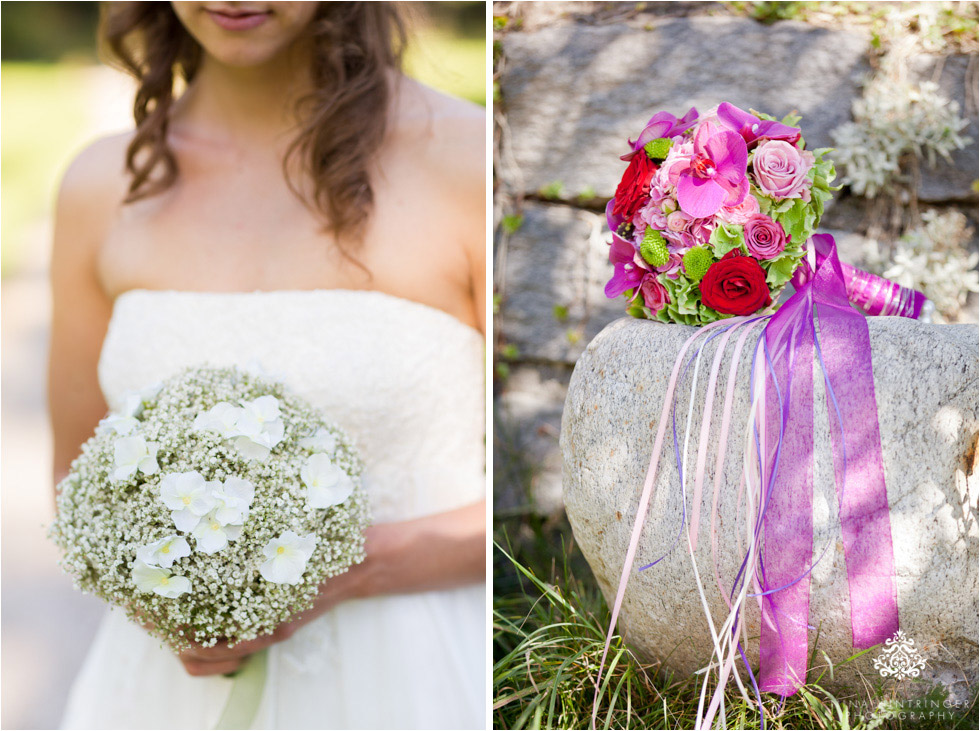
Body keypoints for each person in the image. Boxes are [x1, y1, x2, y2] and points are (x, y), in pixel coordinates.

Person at [48, 2, 486, 728]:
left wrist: (349, 566)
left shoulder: (465, 160)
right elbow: (75, 483)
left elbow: (537, 489)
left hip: (409, 678)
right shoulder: (101, 186)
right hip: (161, 693)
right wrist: (176, 591)